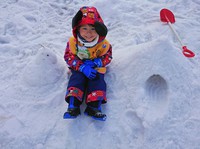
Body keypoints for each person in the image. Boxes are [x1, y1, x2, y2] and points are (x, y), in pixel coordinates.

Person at [63, 6, 112, 121]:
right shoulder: (73, 43)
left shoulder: (103, 44)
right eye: (84, 28)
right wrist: (81, 66)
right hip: (79, 68)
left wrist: (98, 62)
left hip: (95, 68)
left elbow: (108, 56)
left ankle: (94, 108)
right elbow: (68, 56)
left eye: (93, 29)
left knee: (97, 81)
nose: (89, 33)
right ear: (77, 29)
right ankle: (73, 106)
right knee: (76, 79)